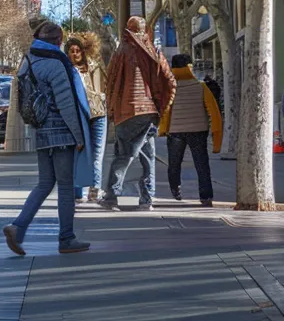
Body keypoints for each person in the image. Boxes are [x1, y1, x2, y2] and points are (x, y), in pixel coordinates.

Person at [3, 20, 93, 255]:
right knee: (66, 186)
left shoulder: (27, 60)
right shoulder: (57, 63)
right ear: (58, 41)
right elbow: (66, 104)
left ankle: (18, 228)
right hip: (62, 132)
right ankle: (66, 238)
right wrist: (79, 135)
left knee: (44, 183)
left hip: (41, 131)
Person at [98, 16, 173, 211]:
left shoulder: (121, 51)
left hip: (127, 111)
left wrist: (111, 109)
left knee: (124, 155)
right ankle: (147, 199)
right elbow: (170, 81)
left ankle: (111, 196)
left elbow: (111, 82)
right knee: (147, 156)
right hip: (150, 112)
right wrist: (162, 106)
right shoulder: (154, 50)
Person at [159, 54, 222, 206]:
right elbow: (214, 112)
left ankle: (175, 190)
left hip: (175, 131)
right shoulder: (201, 86)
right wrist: (217, 138)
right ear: (189, 67)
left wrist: (162, 129)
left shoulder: (170, 87)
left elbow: (164, 110)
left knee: (174, 164)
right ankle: (206, 196)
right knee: (202, 165)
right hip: (199, 130)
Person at [65, 33, 107, 204]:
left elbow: (104, 85)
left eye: (78, 50)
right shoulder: (67, 71)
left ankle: (94, 190)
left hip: (98, 114)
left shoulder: (93, 66)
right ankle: (78, 192)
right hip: (79, 117)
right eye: (72, 51)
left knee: (97, 154)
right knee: (79, 153)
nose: (75, 54)